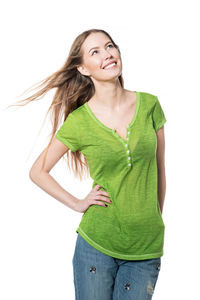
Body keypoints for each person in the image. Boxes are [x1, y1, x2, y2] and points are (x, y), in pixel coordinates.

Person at [15, 28, 167, 299]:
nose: (107, 54)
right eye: (95, 52)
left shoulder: (150, 105)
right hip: (97, 245)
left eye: (110, 46)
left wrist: (153, 220)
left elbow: (160, 172)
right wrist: (77, 203)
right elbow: (38, 171)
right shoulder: (80, 122)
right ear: (83, 68)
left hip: (146, 246)